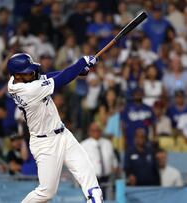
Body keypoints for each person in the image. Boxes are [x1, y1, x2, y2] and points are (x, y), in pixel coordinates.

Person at [7, 53, 103, 202]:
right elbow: (60, 80)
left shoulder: (20, 80)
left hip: (63, 134)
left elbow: (47, 77)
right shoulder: (27, 90)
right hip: (45, 143)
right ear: (17, 75)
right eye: (28, 72)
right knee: (46, 192)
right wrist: (81, 63)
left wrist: (77, 71)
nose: (32, 73)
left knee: (90, 180)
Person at [81, 122, 118, 197]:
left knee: (107, 199)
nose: (96, 132)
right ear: (89, 132)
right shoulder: (83, 145)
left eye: (98, 130)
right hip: (92, 180)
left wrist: (115, 166)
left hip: (107, 178)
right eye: (93, 130)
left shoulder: (108, 143)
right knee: (94, 199)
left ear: (101, 131)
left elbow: (113, 159)